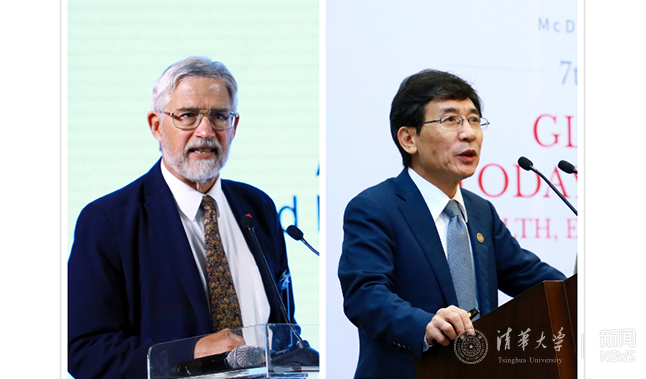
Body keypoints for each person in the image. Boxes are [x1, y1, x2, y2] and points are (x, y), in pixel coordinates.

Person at [68, 56, 295, 378]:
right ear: (156, 126)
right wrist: (190, 352)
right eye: (187, 116)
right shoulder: (108, 222)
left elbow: (283, 329)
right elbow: (85, 351)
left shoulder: (257, 207)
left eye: (219, 116)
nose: (205, 131)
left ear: (234, 126)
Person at [337, 69, 566, 379]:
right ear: (408, 139)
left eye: (474, 120)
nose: (469, 133)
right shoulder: (375, 208)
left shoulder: (480, 211)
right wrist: (425, 325)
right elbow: (365, 295)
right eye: (451, 120)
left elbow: (533, 279)